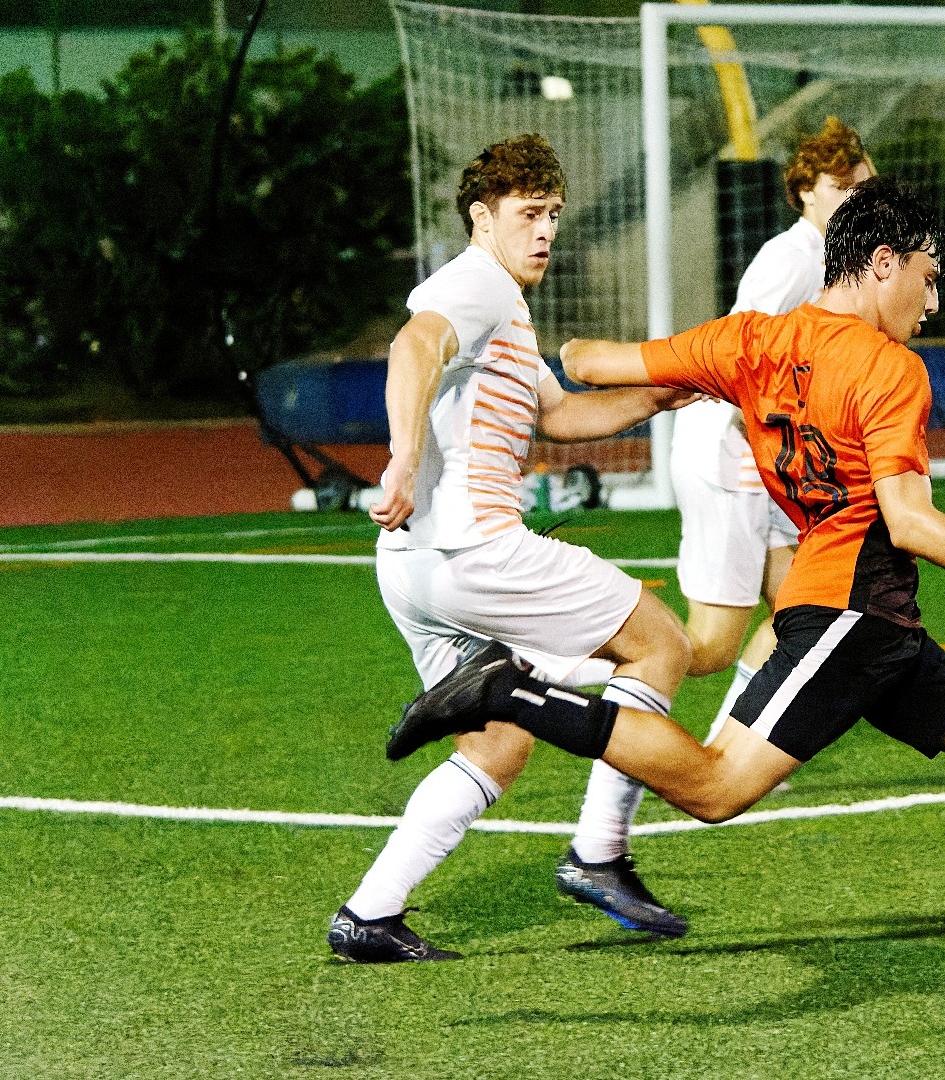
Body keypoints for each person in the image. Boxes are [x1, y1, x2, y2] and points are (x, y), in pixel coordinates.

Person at [389, 177, 945, 993]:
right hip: (851, 612)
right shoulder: (889, 369)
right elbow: (909, 521)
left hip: (872, 618)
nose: (932, 301)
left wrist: (557, 354)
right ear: (881, 263)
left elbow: (591, 361)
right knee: (713, 789)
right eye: (925, 279)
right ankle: (512, 693)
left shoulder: (750, 340)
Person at [326, 135, 700, 962]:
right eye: (529, 214)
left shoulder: (505, 308)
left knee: (498, 743)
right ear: (481, 216)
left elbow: (562, 417)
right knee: (661, 644)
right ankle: (599, 851)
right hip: (477, 553)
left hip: (413, 569)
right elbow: (411, 347)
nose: (545, 232)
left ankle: (369, 916)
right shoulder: (475, 284)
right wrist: (399, 458)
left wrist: (669, 393)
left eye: (554, 215)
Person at [561, 120, 872, 922]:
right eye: (842, 188)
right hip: (735, 455)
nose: (855, 200)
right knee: (698, 648)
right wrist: (755, 440)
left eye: (863, 187)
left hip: (767, 459)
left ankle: (740, 741)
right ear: (806, 191)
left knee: (801, 609)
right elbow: (741, 352)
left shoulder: (835, 263)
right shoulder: (792, 257)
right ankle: (551, 682)